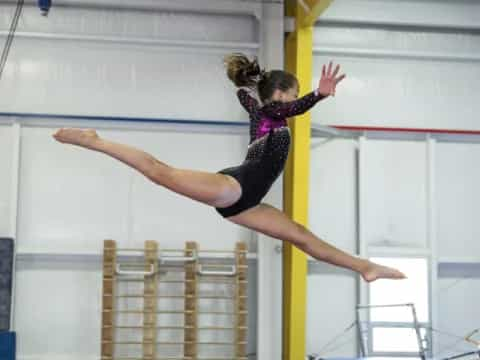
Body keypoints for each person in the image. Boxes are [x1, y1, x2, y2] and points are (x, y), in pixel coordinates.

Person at [53, 53, 405, 282]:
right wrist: (318, 95)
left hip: (248, 203)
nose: (296, 100)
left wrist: (251, 85)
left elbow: (245, 97)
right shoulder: (271, 112)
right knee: (161, 172)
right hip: (236, 186)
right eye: (294, 94)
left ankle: (364, 267)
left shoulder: (260, 111)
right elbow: (284, 108)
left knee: (301, 236)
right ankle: (93, 139)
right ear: (284, 94)